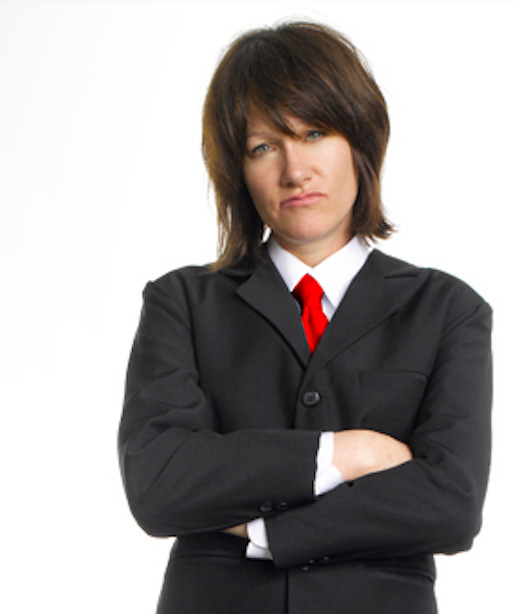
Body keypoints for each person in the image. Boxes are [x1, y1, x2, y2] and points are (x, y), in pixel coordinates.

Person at [118, 21, 492, 614]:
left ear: (360, 142)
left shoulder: (446, 310)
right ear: (238, 172)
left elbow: (451, 504)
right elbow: (160, 484)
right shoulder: (182, 303)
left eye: (315, 132)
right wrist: (346, 455)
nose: (295, 170)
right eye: (263, 146)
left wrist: (267, 532)